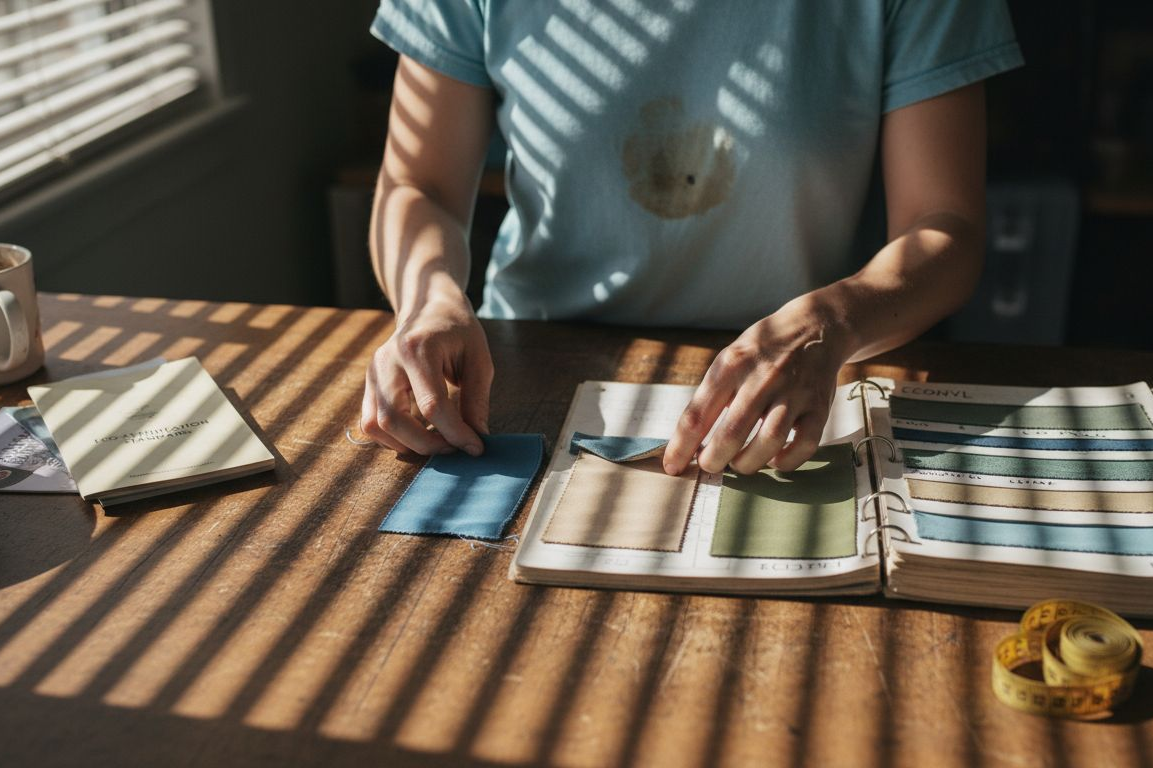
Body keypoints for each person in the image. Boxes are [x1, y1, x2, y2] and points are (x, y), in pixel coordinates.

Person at [360, 0, 1023, 476]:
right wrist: (431, 301)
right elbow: (421, 185)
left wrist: (835, 321)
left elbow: (946, 226)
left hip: (791, 383)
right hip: (518, 376)